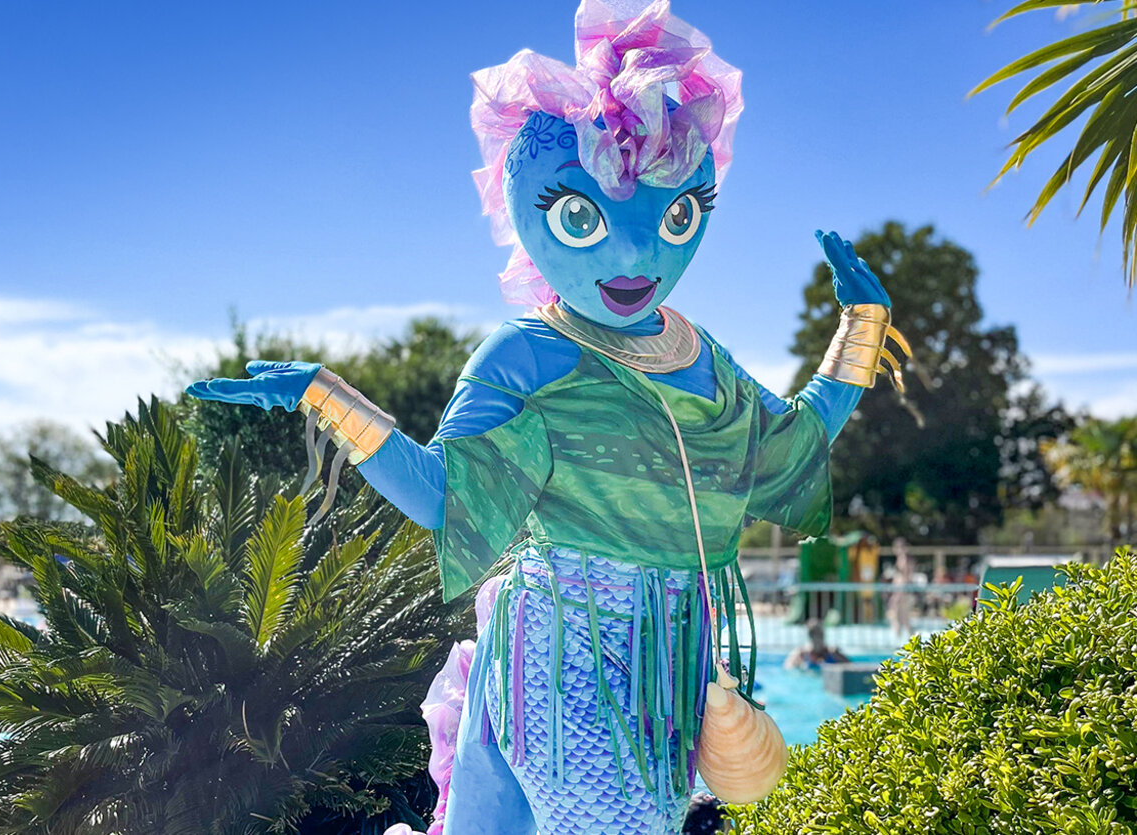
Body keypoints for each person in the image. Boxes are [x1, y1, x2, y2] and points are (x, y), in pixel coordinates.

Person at [188, 2, 911, 832]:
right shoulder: (529, 354)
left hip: (657, 657)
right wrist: (328, 394)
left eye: (675, 217)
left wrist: (860, 332)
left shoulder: (695, 351)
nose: (636, 258)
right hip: (571, 663)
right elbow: (447, 494)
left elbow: (787, 444)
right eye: (581, 217)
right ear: (526, 211)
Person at [784, 619, 849, 670]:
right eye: (817, 634)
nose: (820, 638)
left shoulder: (831, 652)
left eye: (821, 634)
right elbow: (787, 668)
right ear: (811, 636)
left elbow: (850, 667)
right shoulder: (801, 653)